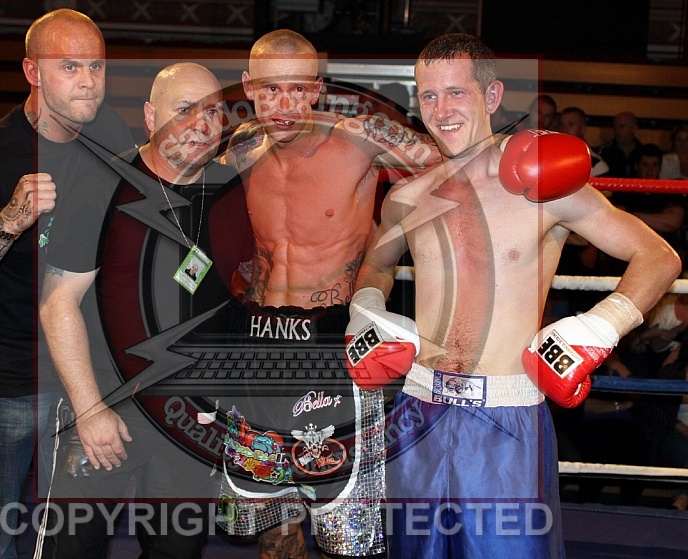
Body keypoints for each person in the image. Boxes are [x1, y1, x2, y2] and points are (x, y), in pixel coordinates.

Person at [349, 33, 680, 558]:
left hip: (504, 420)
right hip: (417, 412)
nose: (441, 110)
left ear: (492, 95)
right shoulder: (407, 197)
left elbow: (658, 256)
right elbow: (376, 264)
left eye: (456, 93)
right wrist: (366, 308)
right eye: (428, 95)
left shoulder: (544, 186)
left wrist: (600, 326)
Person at [217, 29, 441, 558]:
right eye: (271, 90)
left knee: (347, 533)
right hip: (258, 337)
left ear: (316, 89)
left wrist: (520, 153)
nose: (285, 105)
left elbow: (451, 161)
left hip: (332, 338)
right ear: (248, 87)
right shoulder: (243, 147)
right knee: (271, 521)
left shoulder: (359, 138)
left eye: (298, 89)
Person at [0, 9, 134, 558]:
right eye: (70, 66)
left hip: (81, 363)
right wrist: (8, 222)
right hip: (5, 369)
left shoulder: (109, 131)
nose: (88, 81)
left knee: (75, 527)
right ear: (33, 71)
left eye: (95, 66)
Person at [39, 62, 237, 558]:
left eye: (214, 112)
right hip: (106, 406)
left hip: (190, 419)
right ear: (150, 117)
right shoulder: (103, 185)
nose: (201, 125)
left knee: (178, 551)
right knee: (73, 549)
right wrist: (89, 410)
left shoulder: (230, 189)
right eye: (184, 110)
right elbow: (58, 304)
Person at [558, 106, 609, 176]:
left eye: (571, 124)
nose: (564, 129)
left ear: (583, 129)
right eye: (562, 124)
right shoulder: (553, 159)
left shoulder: (596, 165)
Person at [598, 111, 644, 178]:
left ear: (634, 128)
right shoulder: (605, 152)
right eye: (615, 127)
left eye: (621, 126)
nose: (617, 131)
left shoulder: (643, 152)